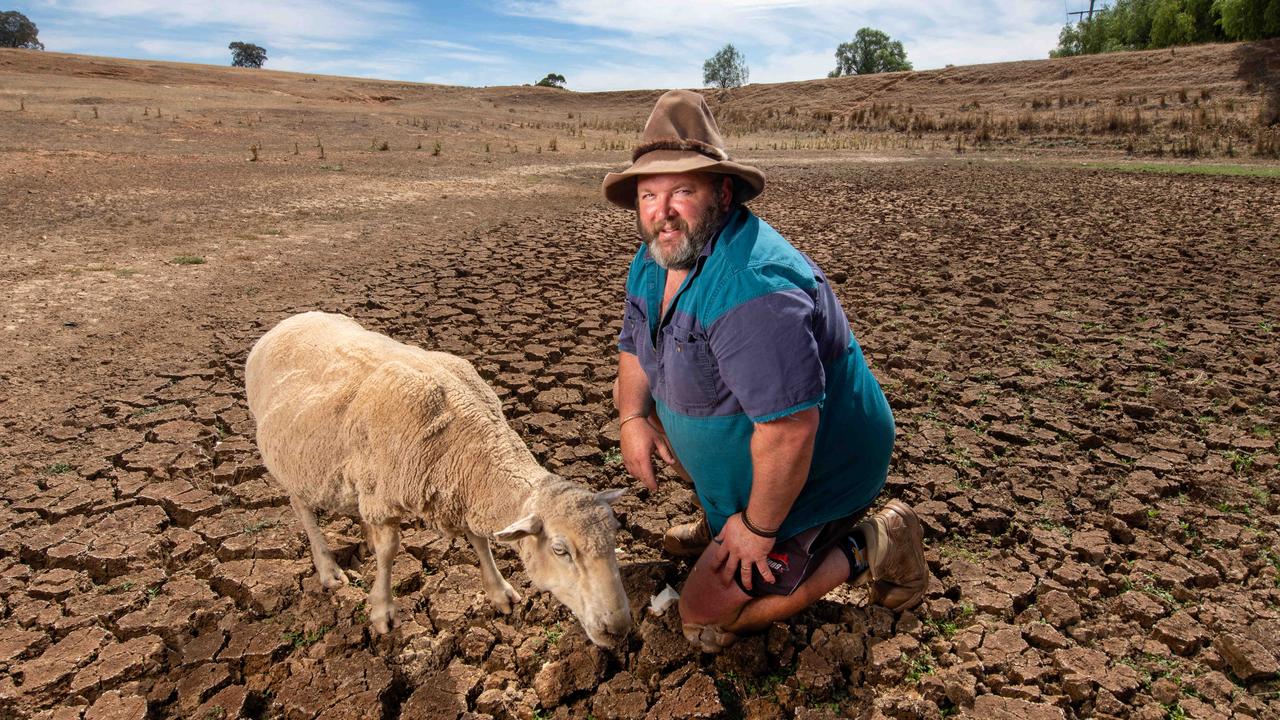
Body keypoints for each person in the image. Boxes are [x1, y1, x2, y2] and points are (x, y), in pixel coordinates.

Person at [604, 90, 928, 653]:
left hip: (814, 477)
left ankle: (874, 542)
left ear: (723, 192)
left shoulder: (753, 290)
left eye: (683, 190)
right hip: (752, 471)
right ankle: (721, 516)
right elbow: (635, 344)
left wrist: (756, 531)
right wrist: (633, 415)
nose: (664, 210)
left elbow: (788, 433)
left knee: (705, 619)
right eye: (650, 194)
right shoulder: (657, 255)